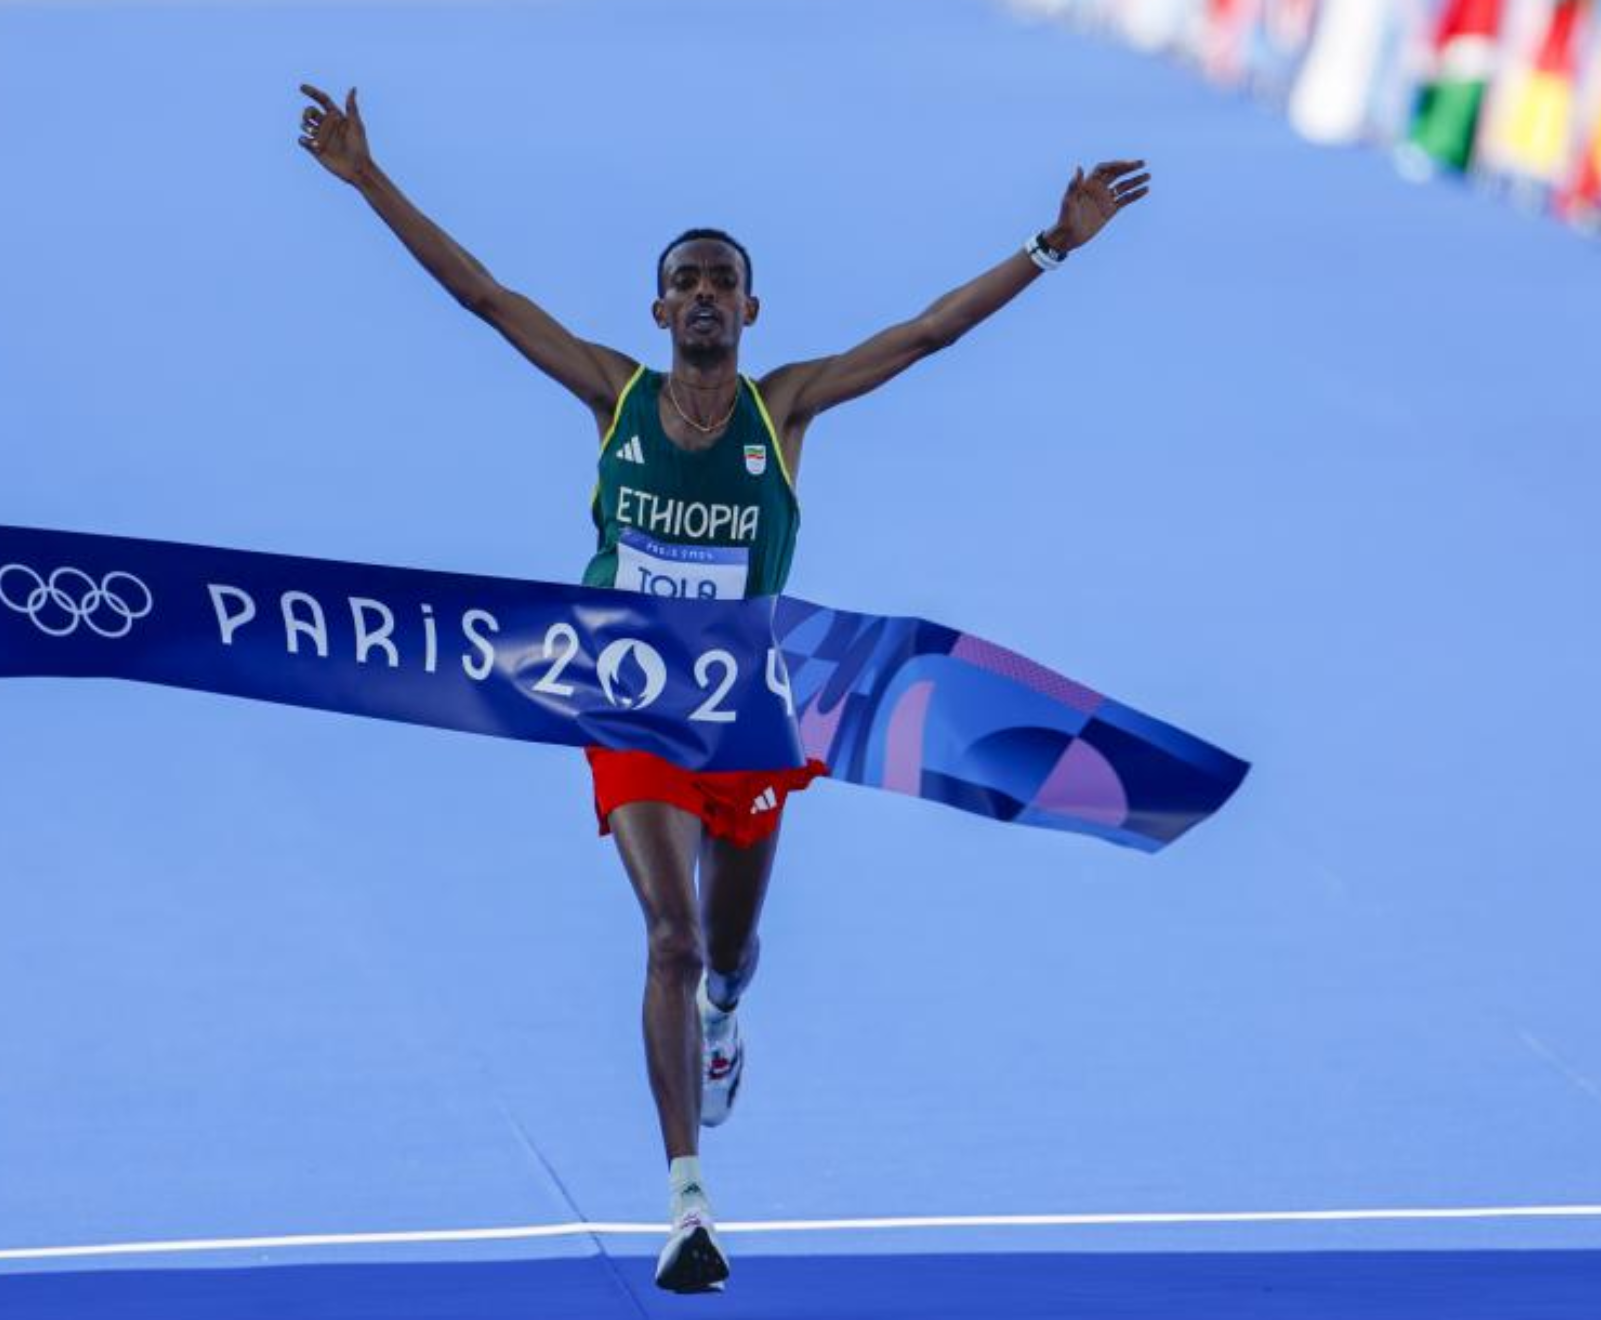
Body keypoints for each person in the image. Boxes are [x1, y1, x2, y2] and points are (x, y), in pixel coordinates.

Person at [296, 83, 1147, 1294]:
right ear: (659, 308)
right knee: (672, 933)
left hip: (749, 717)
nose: (702, 295)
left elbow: (924, 335)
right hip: (630, 703)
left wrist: (1050, 244)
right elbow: (483, 298)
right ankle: (688, 1202)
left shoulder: (782, 408)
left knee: (731, 953)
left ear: (749, 309)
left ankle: (728, 1013)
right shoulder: (611, 393)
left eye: (721, 281)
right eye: (683, 281)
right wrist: (369, 179)